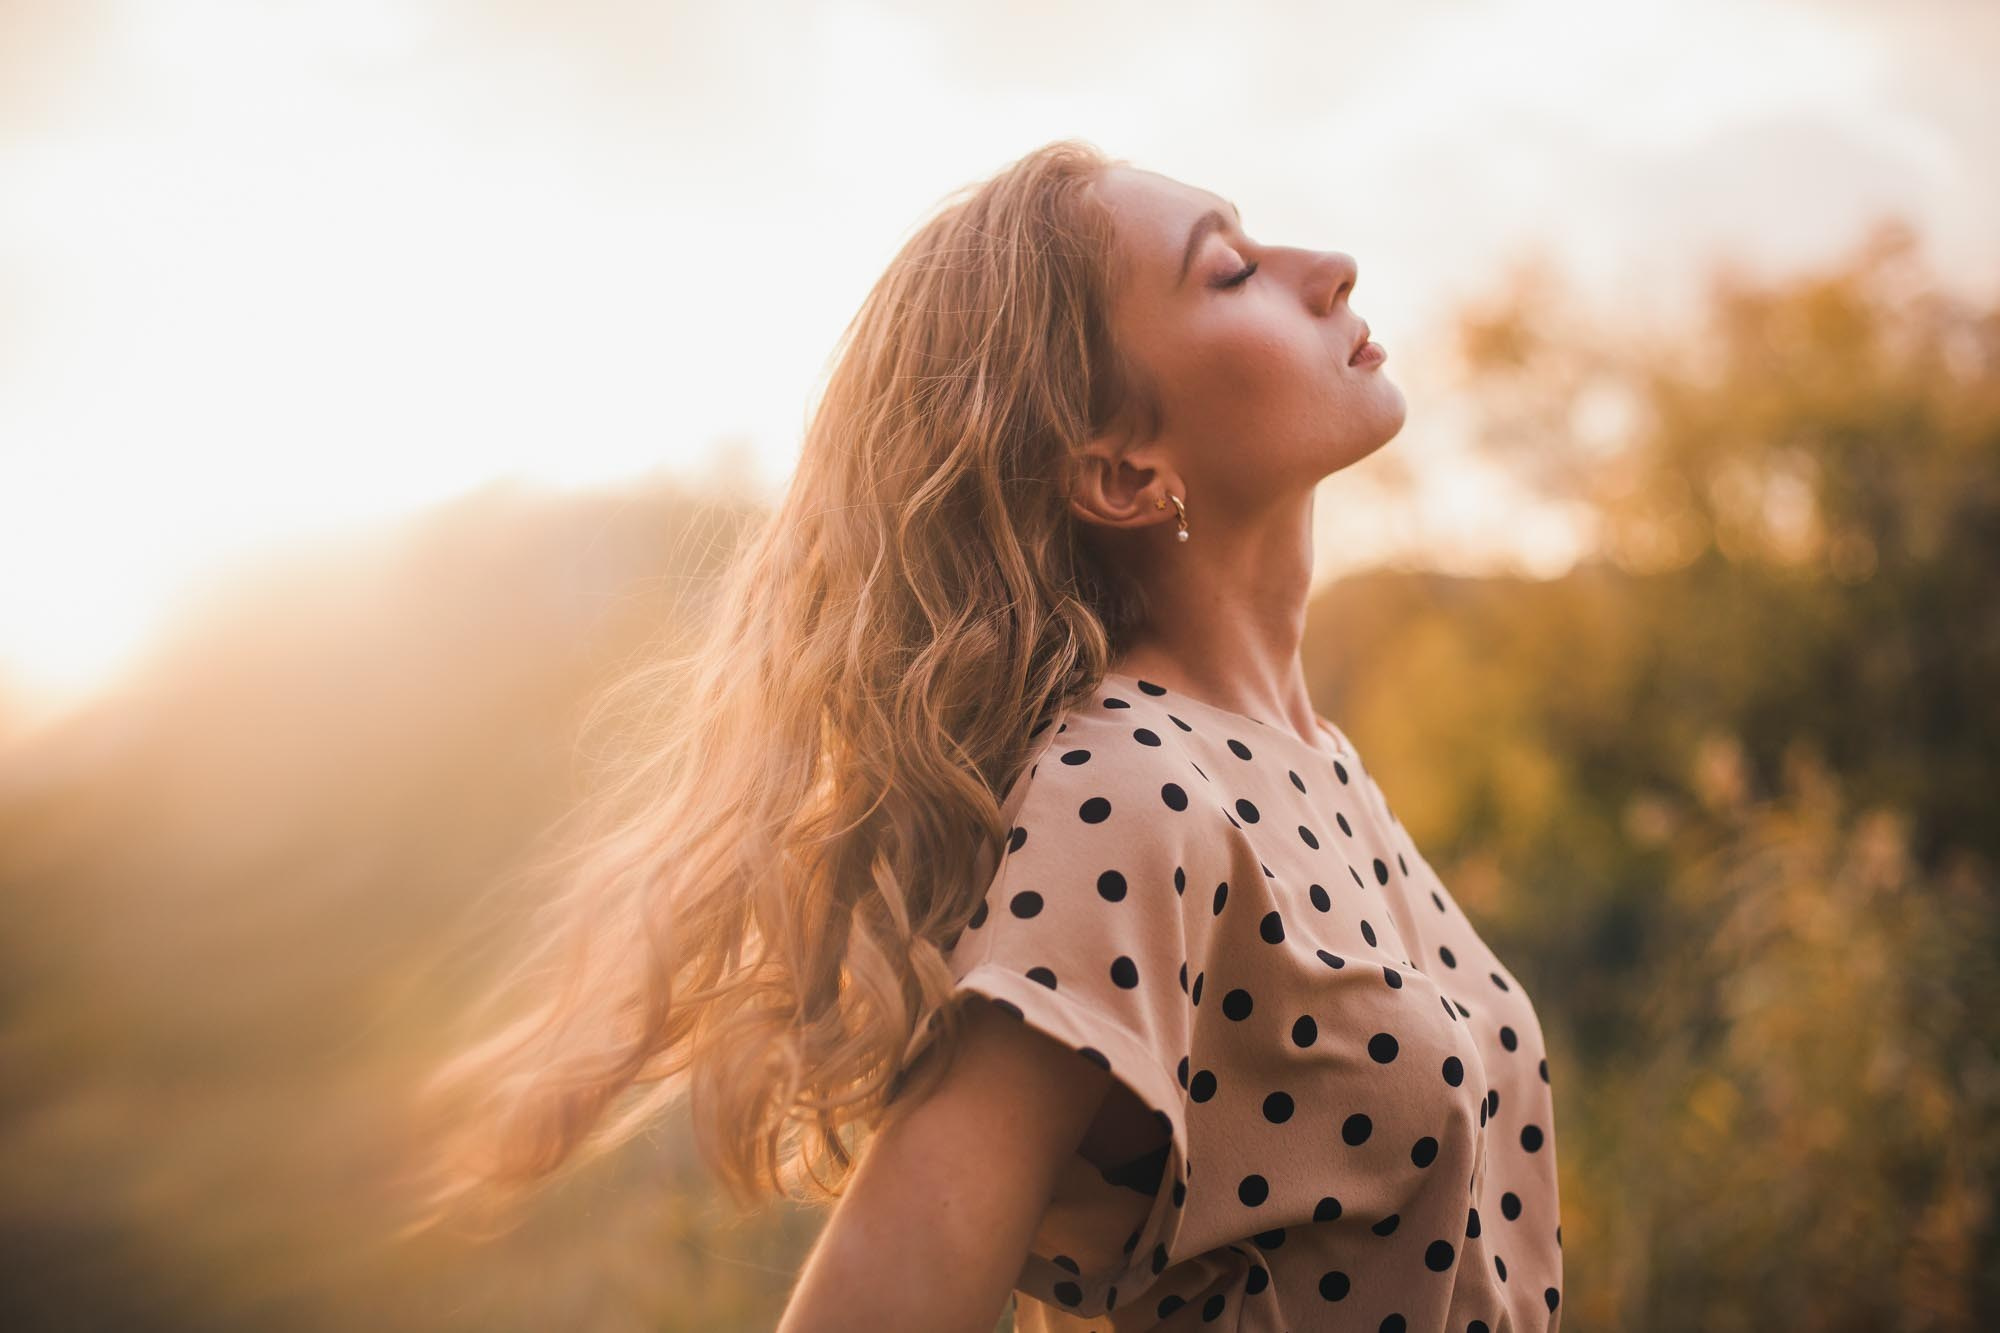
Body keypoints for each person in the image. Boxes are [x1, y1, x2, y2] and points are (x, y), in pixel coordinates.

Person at [404, 138, 1562, 1332]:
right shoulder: (1128, 798)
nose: (1327, 267)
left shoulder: (1313, 761)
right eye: (1229, 271)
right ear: (1118, 469)